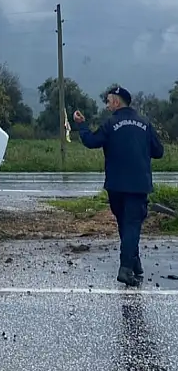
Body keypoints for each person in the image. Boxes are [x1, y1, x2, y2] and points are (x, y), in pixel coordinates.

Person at [73, 86, 164, 287]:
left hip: (115, 185)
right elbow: (159, 152)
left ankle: (134, 264)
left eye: (108, 101)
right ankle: (126, 268)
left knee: (125, 223)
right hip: (138, 184)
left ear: (116, 102)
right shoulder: (145, 123)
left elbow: (91, 141)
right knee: (132, 225)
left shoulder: (111, 123)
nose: (107, 106)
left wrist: (81, 125)